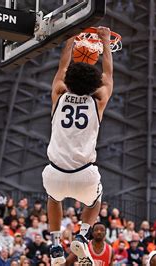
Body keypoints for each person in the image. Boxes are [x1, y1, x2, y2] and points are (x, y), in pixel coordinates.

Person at [42, 26, 114, 265]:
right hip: (84, 174)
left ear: (69, 80)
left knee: (54, 199)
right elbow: (109, 75)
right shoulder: (99, 100)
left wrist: (71, 38)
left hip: (54, 171)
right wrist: (104, 40)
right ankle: (82, 236)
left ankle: (54, 246)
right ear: (94, 84)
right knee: (96, 199)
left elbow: (62, 68)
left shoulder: (59, 94)